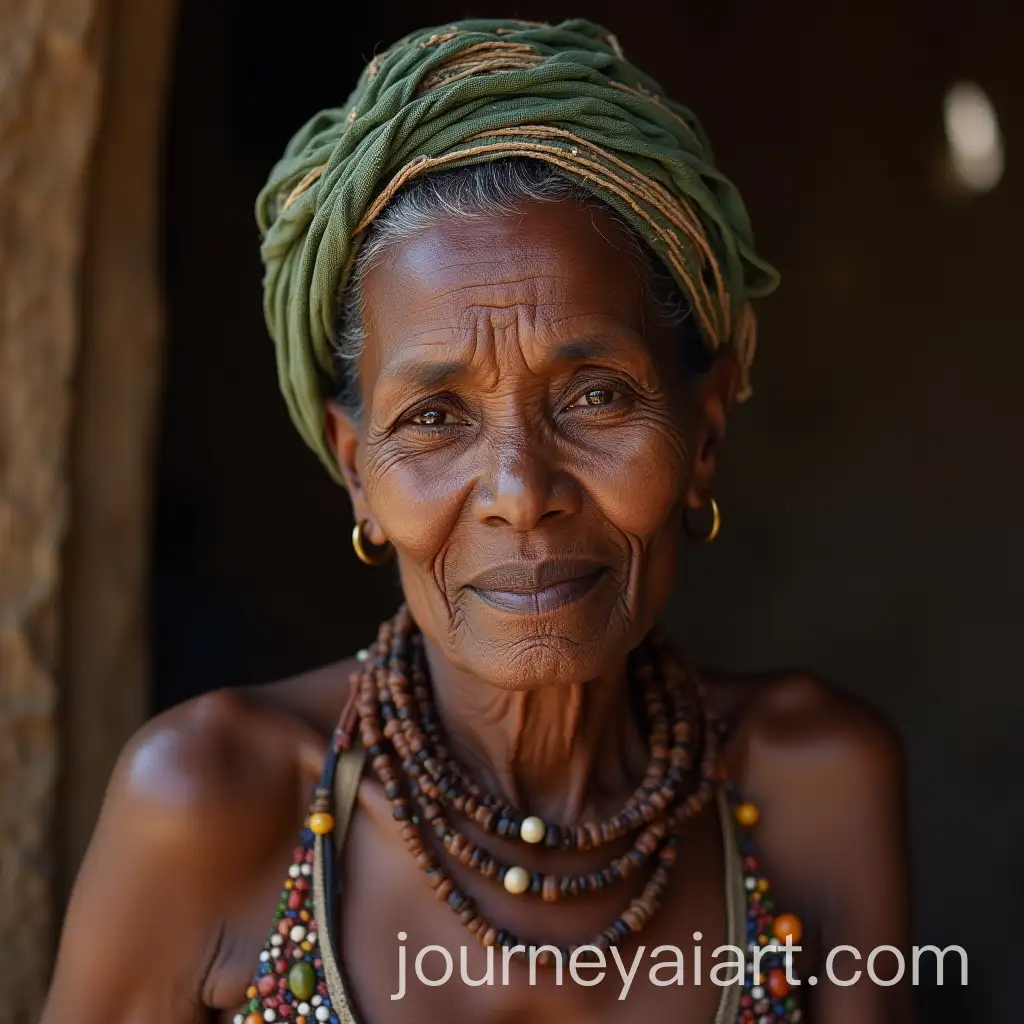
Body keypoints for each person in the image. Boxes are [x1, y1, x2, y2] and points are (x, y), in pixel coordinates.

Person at [41, 18, 912, 1024]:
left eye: (594, 396)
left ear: (703, 432)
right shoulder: (210, 804)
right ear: (357, 469)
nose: (517, 487)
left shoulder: (815, 785)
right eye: (434, 417)